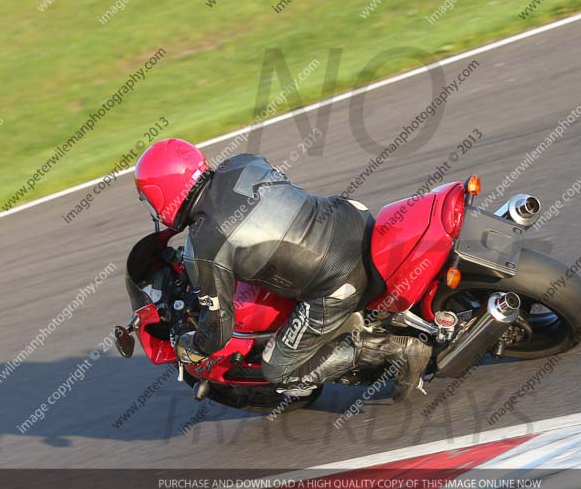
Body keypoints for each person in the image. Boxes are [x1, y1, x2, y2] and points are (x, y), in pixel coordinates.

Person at [133, 138, 431, 401]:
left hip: (336, 278)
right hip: (353, 217)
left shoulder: (203, 245)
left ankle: (396, 349)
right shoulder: (241, 162)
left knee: (279, 369)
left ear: (162, 193)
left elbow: (219, 327)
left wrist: (194, 346)